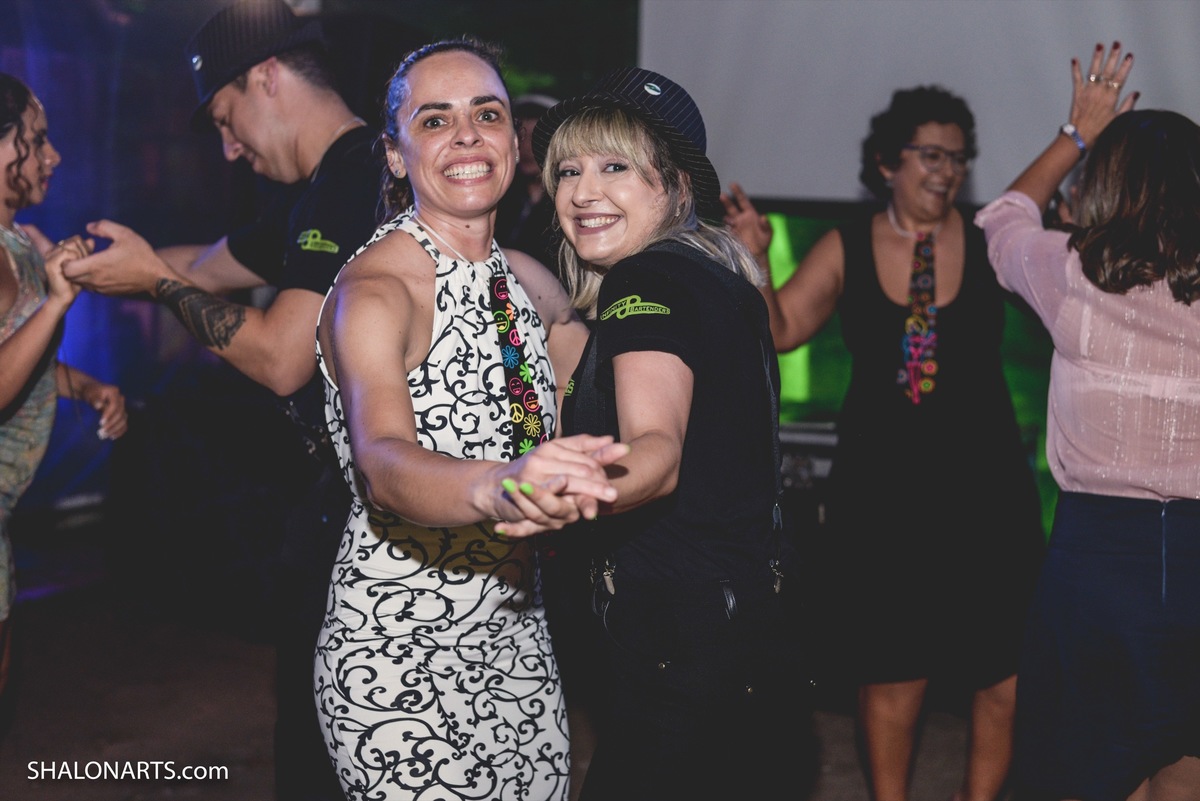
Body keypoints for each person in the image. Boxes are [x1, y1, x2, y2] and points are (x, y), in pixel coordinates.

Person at [61, 1, 382, 798]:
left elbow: (280, 358)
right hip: (340, 504)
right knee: (309, 734)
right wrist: (63, 267)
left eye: (224, 118)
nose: (229, 147)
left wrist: (155, 282)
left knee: (336, 754)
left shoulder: (360, 175)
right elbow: (201, 265)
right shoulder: (318, 189)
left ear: (266, 76)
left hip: (378, 521)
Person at [311, 38, 625, 801]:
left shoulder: (530, 283)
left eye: (487, 114)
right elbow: (384, 462)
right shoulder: (377, 290)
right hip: (397, 653)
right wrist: (498, 485)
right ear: (395, 155)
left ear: (516, 142)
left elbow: (615, 395)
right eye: (434, 120)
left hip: (518, 640)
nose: (466, 136)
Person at [722, 85, 1045, 801]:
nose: (947, 170)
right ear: (887, 164)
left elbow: (1036, 209)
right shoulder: (848, 244)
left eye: (957, 158)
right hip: (884, 495)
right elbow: (782, 329)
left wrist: (1074, 142)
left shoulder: (989, 239)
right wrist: (755, 256)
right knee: (895, 671)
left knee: (1005, 673)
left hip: (988, 491)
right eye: (931, 154)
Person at [499, 66, 809, 801]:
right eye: (567, 170)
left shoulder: (646, 284)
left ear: (676, 186)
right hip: (745, 634)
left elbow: (657, 450)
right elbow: (598, 371)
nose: (583, 191)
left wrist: (565, 491)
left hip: (685, 648)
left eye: (615, 167)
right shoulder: (718, 281)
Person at [976, 42, 1200, 801]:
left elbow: (1002, 215)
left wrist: (1077, 133)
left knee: (1086, 770)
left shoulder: (1071, 273)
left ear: (1103, 187)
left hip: (1100, 563)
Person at [0, 73, 128, 698]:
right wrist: (54, 303)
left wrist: (87, 387)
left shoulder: (23, 243)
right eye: (36, 139)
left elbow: (18, 362)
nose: (52, 156)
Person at [495, 92, 561, 274]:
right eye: (521, 137)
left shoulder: (565, 205)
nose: (525, 148)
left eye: (535, 137)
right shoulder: (502, 199)